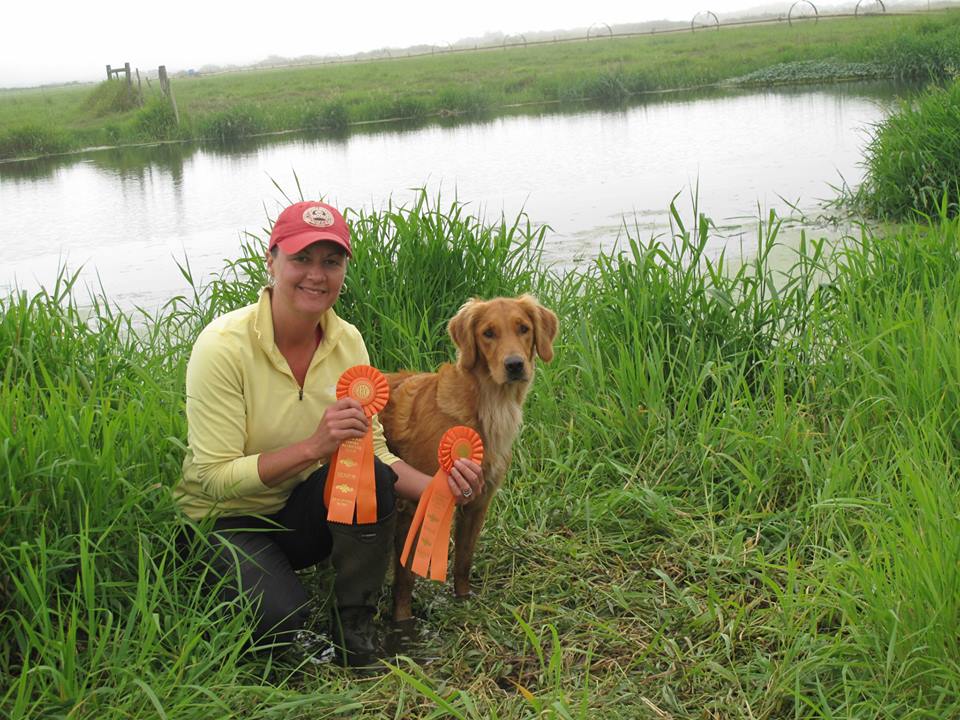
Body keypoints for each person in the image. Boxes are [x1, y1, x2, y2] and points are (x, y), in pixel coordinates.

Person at [174, 200, 484, 667]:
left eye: (331, 261)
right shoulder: (222, 347)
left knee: (373, 478)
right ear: (271, 260)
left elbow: (376, 452)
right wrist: (312, 448)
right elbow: (213, 477)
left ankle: (354, 627)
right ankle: (231, 587)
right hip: (225, 520)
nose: (316, 275)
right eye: (301, 258)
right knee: (282, 623)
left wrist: (443, 490)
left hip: (301, 514)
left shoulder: (348, 341)